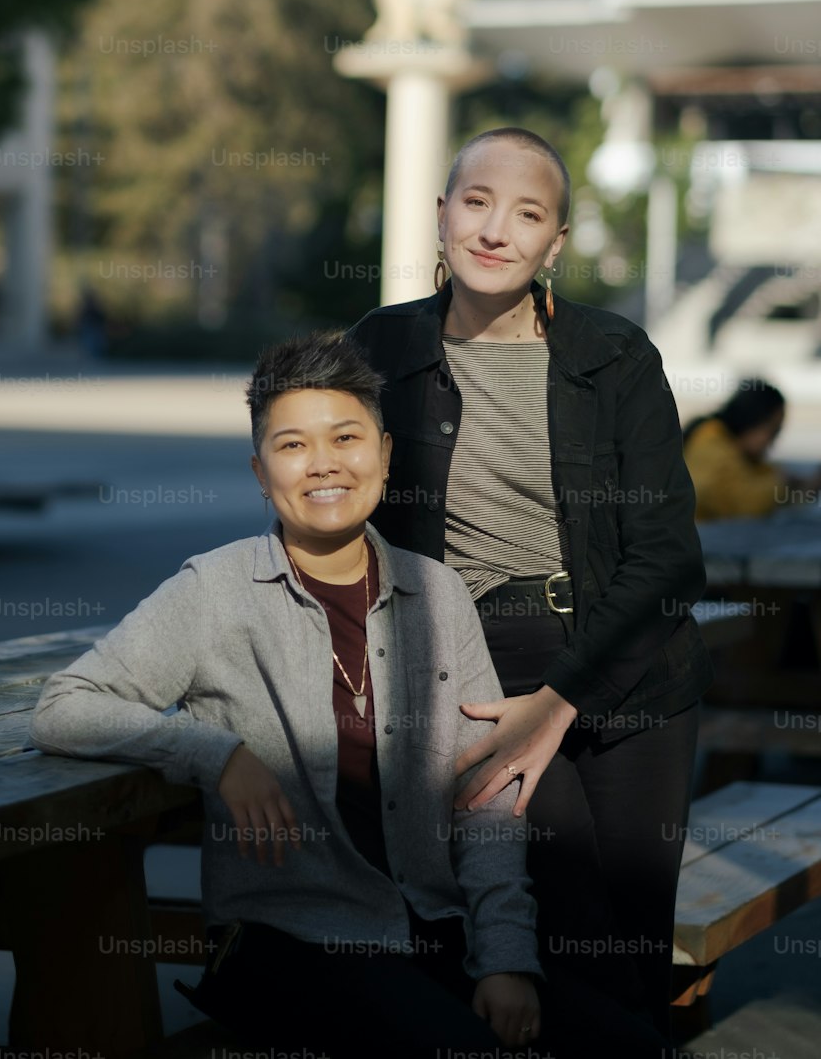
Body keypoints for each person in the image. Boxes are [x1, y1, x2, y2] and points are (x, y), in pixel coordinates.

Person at [30, 331, 544, 1059]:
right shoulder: (215, 589)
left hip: (435, 927)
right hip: (293, 940)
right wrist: (215, 752)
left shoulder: (439, 593)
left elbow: (486, 795)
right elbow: (66, 705)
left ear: (386, 454)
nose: (324, 464)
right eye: (293, 445)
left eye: (345, 437)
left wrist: (505, 957)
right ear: (260, 471)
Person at [349, 126, 715, 1037]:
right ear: (441, 217)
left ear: (555, 244)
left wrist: (560, 701)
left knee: (628, 952)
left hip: (628, 667)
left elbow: (670, 557)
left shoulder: (613, 355)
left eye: (528, 213)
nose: (495, 230)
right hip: (474, 676)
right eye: (476, 202)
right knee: (560, 917)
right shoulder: (380, 348)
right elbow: (326, 503)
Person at [683, 381, 818, 520]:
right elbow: (740, 501)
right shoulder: (709, 443)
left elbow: (750, 477)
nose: (772, 441)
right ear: (753, 419)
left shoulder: (724, 443)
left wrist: (795, 485)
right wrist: (781, 484)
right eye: (773, 431)